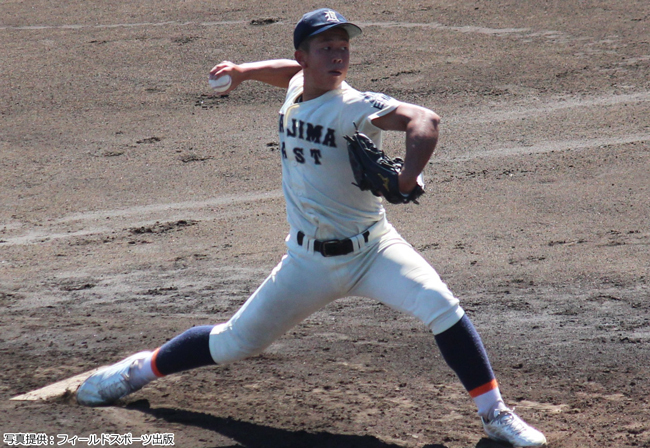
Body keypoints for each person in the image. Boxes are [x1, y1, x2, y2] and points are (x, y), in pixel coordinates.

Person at [77, 8, 547, 447]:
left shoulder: (356, 106)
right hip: (306, 262)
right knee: (236, 341)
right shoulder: (296, 84)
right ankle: (137, 372)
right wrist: (242, 72)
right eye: (326, 47)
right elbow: (286, 72)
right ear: (306, 57)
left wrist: (407, 172)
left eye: (343, 47)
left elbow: (425, 120)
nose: (338, 55)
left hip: (373, 251)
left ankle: (495, 414)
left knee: (441, 305)